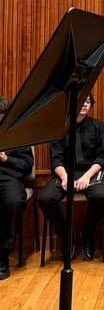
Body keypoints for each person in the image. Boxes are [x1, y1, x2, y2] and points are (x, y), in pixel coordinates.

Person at [38, 93, 104, 261]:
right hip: (66, 173)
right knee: (45, 199)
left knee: (100, 196)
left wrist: (87, 177)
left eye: (88, 101)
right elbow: (56, 159)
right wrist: (65, 178)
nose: (84, 104)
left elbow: (103, 157)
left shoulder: (99, 126)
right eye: (80, 101)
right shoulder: (59, 128)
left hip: (92, 171)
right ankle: (67, 234)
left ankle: (88, 236)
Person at [0, 95, 33, 280]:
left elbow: (27, 165)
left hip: (8, 176)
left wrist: (6, 158)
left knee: (13, 201)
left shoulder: (17, 132)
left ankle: (2, 256)